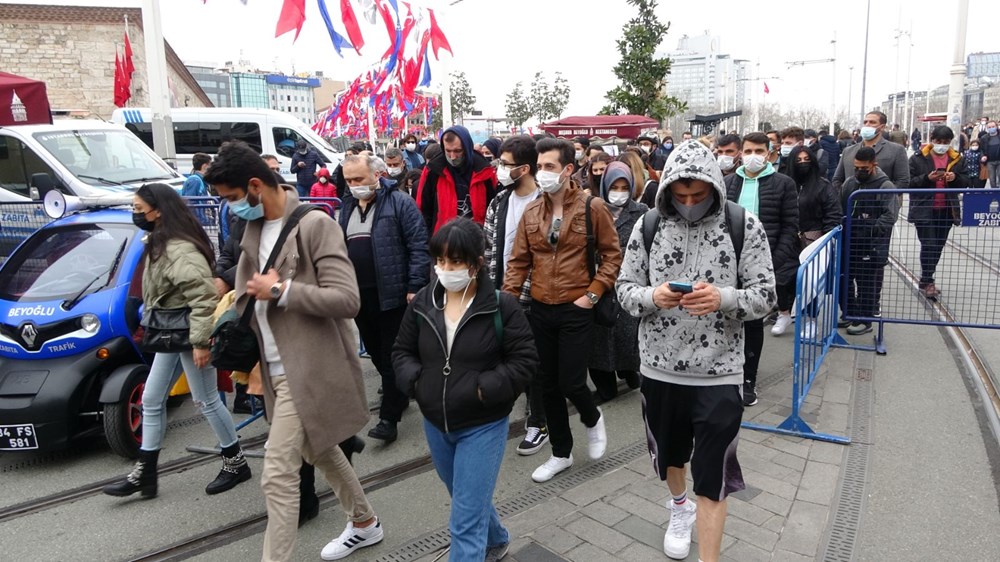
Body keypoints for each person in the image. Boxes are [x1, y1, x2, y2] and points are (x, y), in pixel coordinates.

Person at [207, 141, 383, 561]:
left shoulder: (314, 224)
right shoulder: (251, 229)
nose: (230, 209)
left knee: (277, 474)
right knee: (318, 449)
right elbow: (249, 295)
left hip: (307, 369)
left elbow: (346, 299)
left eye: (231, 198)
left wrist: (282, 290)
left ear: (255, 185)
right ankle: (364, 522)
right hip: (270, 368)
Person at [616, 139, 776, 562]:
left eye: (698, 195)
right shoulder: (648, 225)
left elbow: (766, 296)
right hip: (658, 368)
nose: (688, 203)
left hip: (720, 373)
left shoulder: (744, 224)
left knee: (714, 477)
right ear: (667, 188)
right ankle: (679, 507)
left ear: (715, 188)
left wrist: (723, 298)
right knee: (670, 458)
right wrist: (654, 297)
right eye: (680, 195)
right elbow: (625, 292)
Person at [392, 218, 537, 562]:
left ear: (476, 263)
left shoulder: (502, 306)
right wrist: (418, 384)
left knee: (463, 523)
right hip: (436, 421)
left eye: (455, 262)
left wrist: (483, 390)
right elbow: (401, 351)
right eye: (440, 261)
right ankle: (498, 538)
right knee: (463, 497)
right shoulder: (424, 302)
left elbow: (525, 362)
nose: (445, 269)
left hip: (482, 424)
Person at [103, 183, 250, 500]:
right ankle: (146, 472)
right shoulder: (161, 240)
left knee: (207, 399)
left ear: (158, 210)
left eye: (139, 209)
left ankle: (236, 462)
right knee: (152, 400)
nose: (135, 214)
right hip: (172, 333)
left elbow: (202, 296)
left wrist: (199, 342)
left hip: (186, 333)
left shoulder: (178, 248)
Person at [503, 138, 621, 483]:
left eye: (549, 167)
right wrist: (508, 303)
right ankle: (560, 452)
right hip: (540, 307)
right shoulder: (532, 211)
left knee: (571, 380)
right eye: (540, 167)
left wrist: (593, 295)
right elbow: (519, 262)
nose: (542, 173)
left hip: (576, 307)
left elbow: (612, 256)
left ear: (568, 169)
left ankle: (591, 416)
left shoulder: (592, 207)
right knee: (546, 385)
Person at [338, 154, 430, 444]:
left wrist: (415, 284)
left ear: (376, 176)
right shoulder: (348, 205)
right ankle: (399, 394)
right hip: (359, 294)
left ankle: (389, 419)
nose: (353, 186)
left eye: (359, 180)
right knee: (376, 353)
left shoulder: (400, 202)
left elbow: (418, 244)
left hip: (392, 293)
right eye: (349, 180)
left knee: (392, 355)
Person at [483, 135, 549, 455]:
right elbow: (489, 248)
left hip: (535, 297)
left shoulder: (547, 202)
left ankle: (538, 420)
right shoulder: (499, 202)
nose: (499, 169)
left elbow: (550, 257)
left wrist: (519, 292)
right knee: (505, 357)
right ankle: (502, 414)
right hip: (501, 295)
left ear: (524, 168)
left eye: (505, 164)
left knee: (533, 362)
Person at [724, 133, 799, 406]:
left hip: (763, 264)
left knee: (753, 321)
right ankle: (727, 372)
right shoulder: (729, 182)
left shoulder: (783, 184)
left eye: (758, 150)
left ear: (769, 153)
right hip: (729, 264)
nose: (752, 155)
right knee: (728, 317)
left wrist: (774, 263)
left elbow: (790, 227)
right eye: (747, 150)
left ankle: (748, 380)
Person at [832, 111, 909, 320]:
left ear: (881, 126)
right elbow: (837, 179)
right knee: (847, 272)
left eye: (872, 122)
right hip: (852, 224)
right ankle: (850, 312)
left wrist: (884, 200)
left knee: (871, 271)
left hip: (877, 220)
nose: (867, 125)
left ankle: (869, 309)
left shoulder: (895, 151)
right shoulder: (849, 151)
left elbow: (903, 180)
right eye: (865, 121)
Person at [588, 161, 646, 401]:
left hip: (630, 282)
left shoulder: (641, 211)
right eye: (614, 186)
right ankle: (605, 387)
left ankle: (630, 371)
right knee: (599, 337)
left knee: (627, 335)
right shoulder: (592, 209)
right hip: (598, 283)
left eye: (624, 187)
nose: (619, 192)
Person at [840, 147, 899, 335]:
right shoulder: (849, 183)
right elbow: (840, 208)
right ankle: (850, 313)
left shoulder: (885, 186)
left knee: (866, 282)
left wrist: (868, 229)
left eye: (863, 168)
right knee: (845, 279)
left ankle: (865, 318)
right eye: (856, 167)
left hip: (872, 243)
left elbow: (890, 216)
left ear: (874, 165)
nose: (859, 172)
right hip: (849, 240)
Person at [908, 126, 971, 299]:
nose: (941, 145)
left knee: (938, 246)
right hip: (924, 209)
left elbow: (966, 181)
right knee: (929, 244)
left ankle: (926, 278)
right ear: (932, 139)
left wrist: (955, 178)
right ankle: (928, 280)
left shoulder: (957, 159)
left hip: (947, 210)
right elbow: (908, 182)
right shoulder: (918, 158)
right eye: (938, 142)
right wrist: (927, 178)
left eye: (945, 142)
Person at [788, 145, 843, 338]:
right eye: (798, 160)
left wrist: (825, 239)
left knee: (811, 282)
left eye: (806, 159)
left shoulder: (823, 185)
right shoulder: (786, 184)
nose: (803, 163)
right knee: (788, 279)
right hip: (788, 239)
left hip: (814, 240)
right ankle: (785, 313)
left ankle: (811, 319)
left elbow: (833, 213)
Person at [416, 125, 498, 233]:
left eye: (457, 151)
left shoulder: (485, 171)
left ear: (467, 147)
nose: (452, 156)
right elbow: (422, 210)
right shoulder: (433, 170)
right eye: (448, 151)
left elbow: (493, 209)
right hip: (443, 241)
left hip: (476, 241)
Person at [980, 120, 1000, 188]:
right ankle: (994, 193)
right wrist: (983, 156)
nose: (992, 128)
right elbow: (981, 149)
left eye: (993, 126)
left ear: (996, 127)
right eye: (990, 127)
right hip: (990, 161)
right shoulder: (984, 138)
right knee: (992, 178)